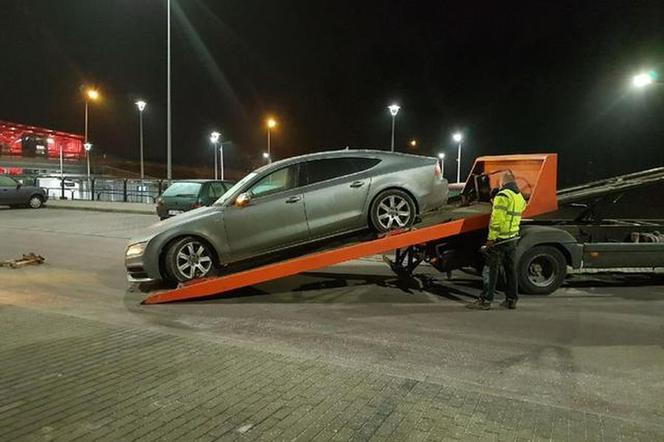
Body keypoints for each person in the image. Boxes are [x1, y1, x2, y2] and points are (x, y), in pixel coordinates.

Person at [467, 171, 527, 310]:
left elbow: (496, 220)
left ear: (503, 183)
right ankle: (511, 300)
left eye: (500, 182)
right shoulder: (518, 196)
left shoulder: (502, 195)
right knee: (510, 270)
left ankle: (486, 300)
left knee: (490, 270)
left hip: (500, 239)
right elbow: (520, 208)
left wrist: (490, 239)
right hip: (512, 237)